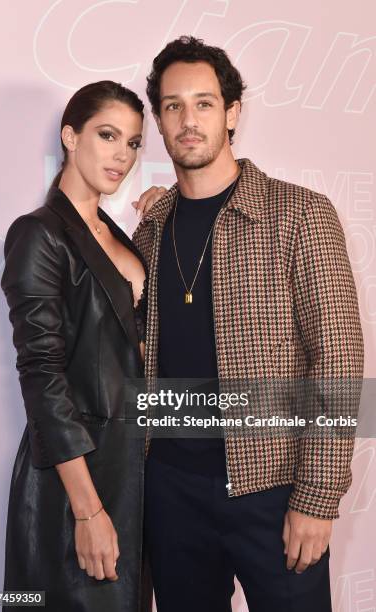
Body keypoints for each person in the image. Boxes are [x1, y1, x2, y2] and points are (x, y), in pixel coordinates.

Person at [132, 36, 364, 612]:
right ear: (159, 120)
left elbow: (337, 360)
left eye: (205, 103)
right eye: (173, 105)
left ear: (232, 113)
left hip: (275, 490)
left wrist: (316, 497)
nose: (189, 120)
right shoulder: (150, 230)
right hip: (169, 490)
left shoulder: (300, 214)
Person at [1, 80, 152, 612]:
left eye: (133, 143)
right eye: (107, 135)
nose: (122, 155)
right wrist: (88, 511)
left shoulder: (117, 233)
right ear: (70, 136)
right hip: (76, 482)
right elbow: (42, 378)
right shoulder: (39, 234)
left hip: (132, 473)